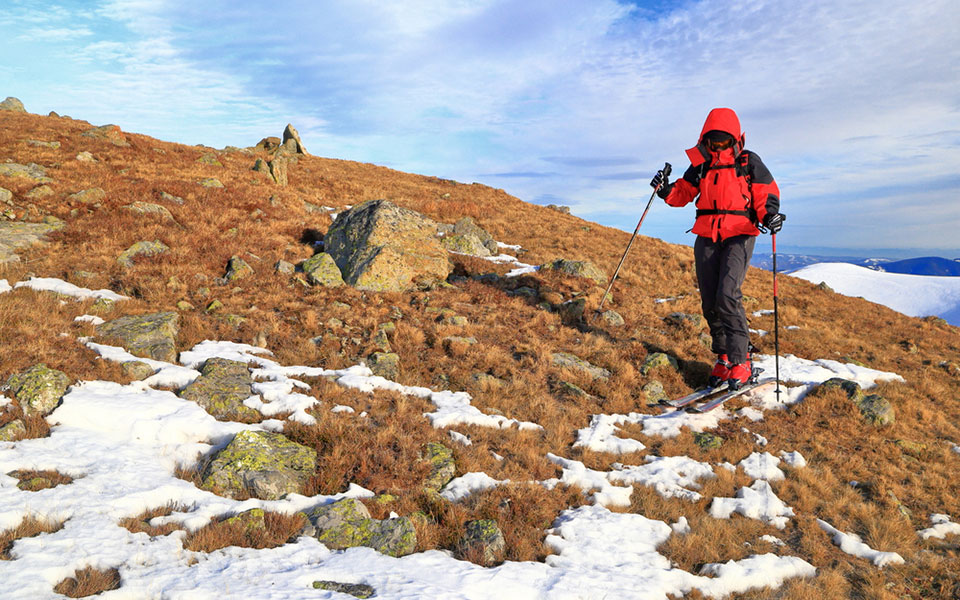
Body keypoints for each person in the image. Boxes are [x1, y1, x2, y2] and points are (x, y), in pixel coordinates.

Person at [650, 107, 784, 389]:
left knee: (728, 294)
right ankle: (724, 357)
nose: (718, 146)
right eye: (713, 141)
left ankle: (741, 361)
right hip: (707, 234)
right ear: (705, 139)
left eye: (724, 141)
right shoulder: (701, 163)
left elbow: (765, 192)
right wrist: (665, 190)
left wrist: (769, 214)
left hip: (740, 234)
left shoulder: (748, 161)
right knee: (710, 300)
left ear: (735, 139)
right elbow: (684, 193)